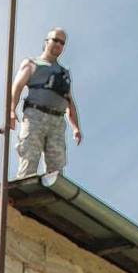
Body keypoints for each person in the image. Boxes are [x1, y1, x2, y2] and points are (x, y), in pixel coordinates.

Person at [9, 27, 82, 178]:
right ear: (47, 41)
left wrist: (75, 127)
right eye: (55, 40)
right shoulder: (32, 63)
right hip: (35, 116)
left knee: (56, 171)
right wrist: (11, 110)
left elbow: (69, 102)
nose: (58, 45)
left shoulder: (63, 73)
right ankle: (24, 198)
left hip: (57, 122)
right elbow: (17, 87)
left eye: (62, 43)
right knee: (29, 161)